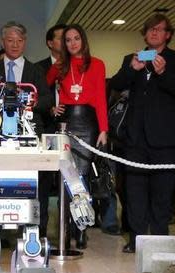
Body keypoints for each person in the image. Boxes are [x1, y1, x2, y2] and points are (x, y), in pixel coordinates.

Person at [110, 14, 175, 253]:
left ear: (168, 34)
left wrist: (163, 72)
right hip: (134, 137)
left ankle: (158, 239)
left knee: (162, 191)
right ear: (144, 34)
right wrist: (132, 69)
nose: (154, 33)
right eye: (150, 29)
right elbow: (116, 84)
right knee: (134, 191)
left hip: (166, 138)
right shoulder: (132, 58)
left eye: (159, 29)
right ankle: (135, 238)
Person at [0, 21, 53, 246]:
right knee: (0, 184)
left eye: (19, 41)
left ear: (25, 42)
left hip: (29, 135)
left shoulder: (36, 70)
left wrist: (29, 102)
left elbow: (48, 100)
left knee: (33, 185)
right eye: (10, 40)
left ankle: (36, 232)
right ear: (2, 42)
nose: (15, 44)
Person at [46, 24, 108, 249]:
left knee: (81, 177)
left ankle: (80, 228)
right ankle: (65, 228)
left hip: (89, 124)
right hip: (66, 123)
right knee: (65, 176)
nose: (72, 43)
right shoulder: (61, 65)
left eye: (76, 38)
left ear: (83, 40)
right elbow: (44, 89)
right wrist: (53, 108)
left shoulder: (98, 64)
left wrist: (104, 129)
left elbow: (101, 97)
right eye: (68, 40)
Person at [35, 23, 66, 238]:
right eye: (60, 38)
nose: (65, 43)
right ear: (49, 42)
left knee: (71, 181)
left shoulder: (77, 65)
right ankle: (41, 228)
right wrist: (48, 108)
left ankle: (73, 231)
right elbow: (36, 98)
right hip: (46, 127)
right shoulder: (37, 68)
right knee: (43, 184)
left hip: (72, 129)